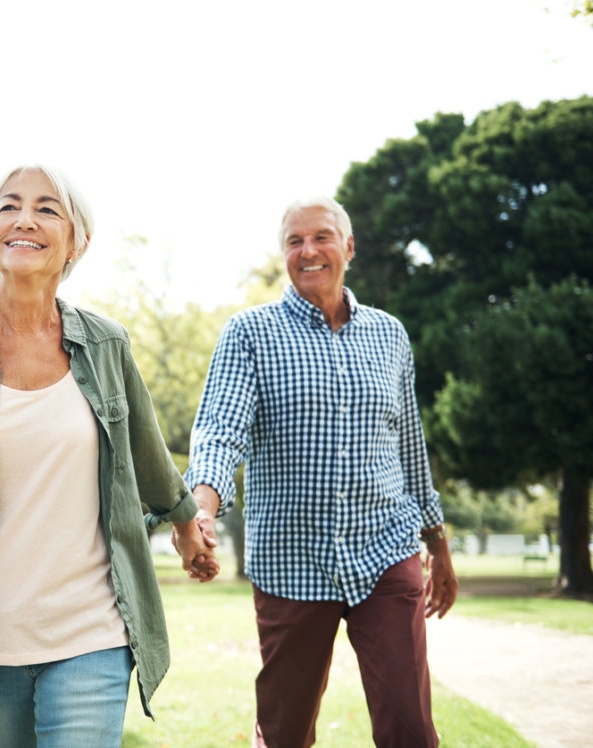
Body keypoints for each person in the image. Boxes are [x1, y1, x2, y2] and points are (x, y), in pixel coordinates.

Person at [0, 164, 217, 745]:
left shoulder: (107, 346)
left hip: (91, 634)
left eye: (47, 208)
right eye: (9, 206)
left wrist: (184, 524)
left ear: (77, 240)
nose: (25, 219)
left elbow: (147, 456)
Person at [182, 196, 459, 748]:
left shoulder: (389, 335)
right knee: (286, 730)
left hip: (386, 550)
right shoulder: (250, 334)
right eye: (294, 241)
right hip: (291, 561)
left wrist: (438, 541)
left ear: (349, 247)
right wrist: (201, 511)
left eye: (322, 237)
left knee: (410, 726)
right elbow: (220, 431)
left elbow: (408, 445)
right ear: (284, 253)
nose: (308, 251)